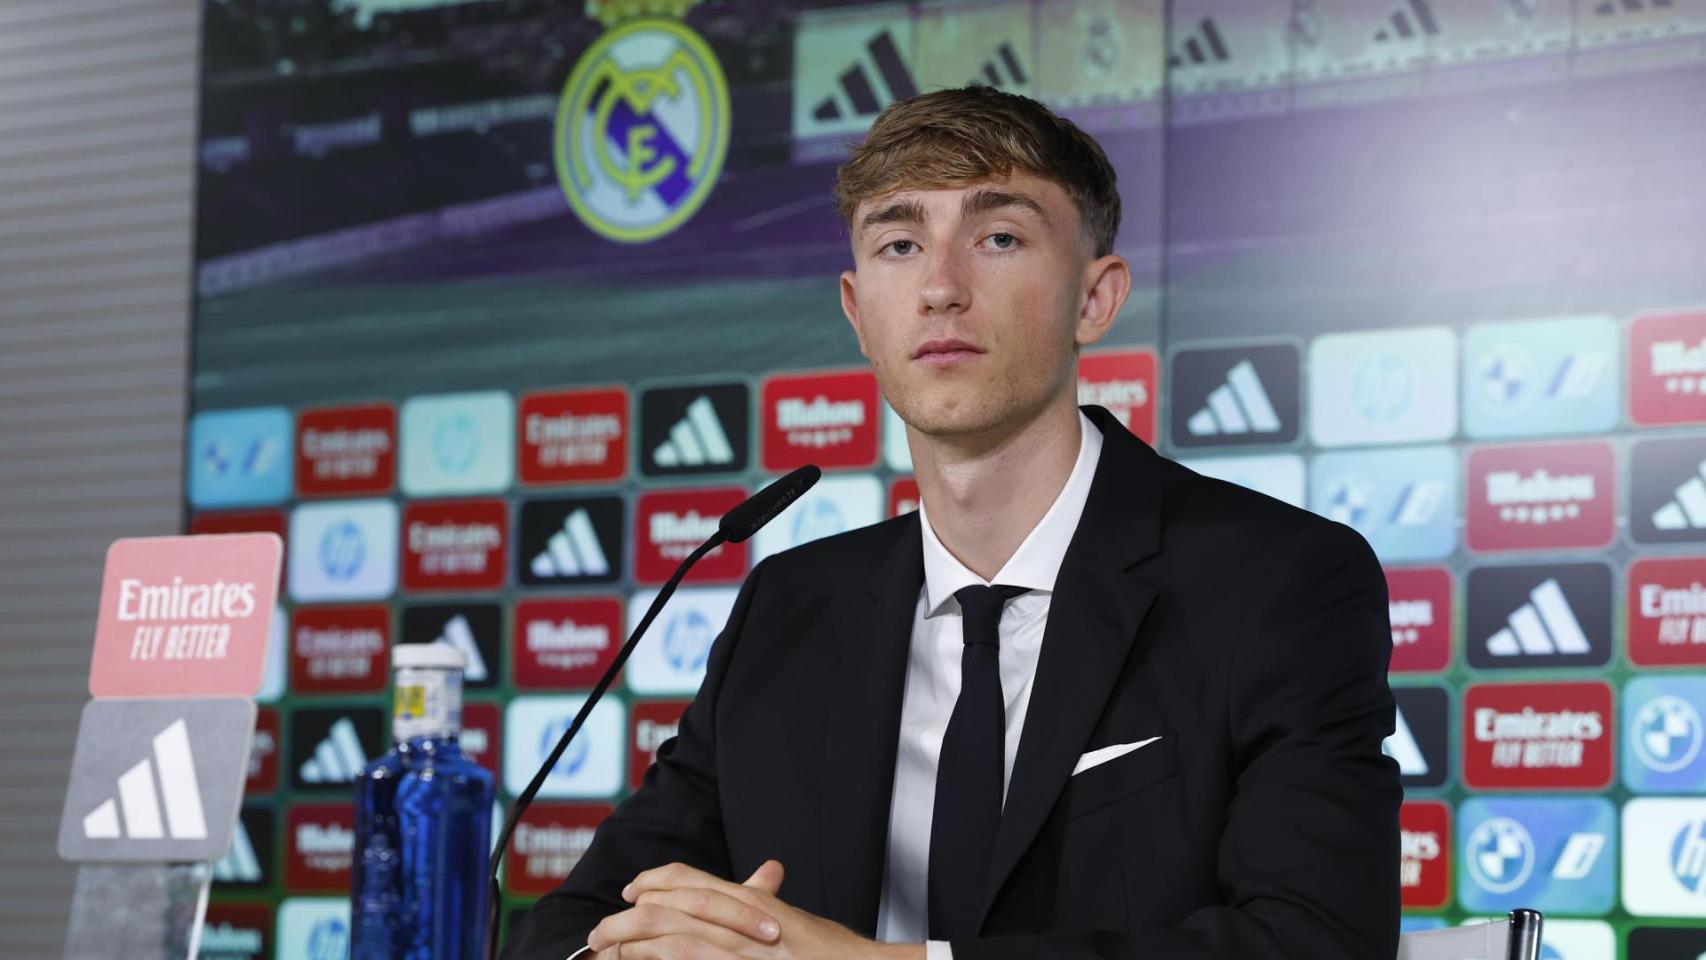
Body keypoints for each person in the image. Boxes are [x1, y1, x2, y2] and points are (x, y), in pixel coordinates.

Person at [504, 86, 1400, 960]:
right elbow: (569, 929)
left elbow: (1315, 939)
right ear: (858, 312)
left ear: (1094, 298)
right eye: (899, 245)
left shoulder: (1280, 579)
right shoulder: (789, 607)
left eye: (998, 237)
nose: (940, 287)